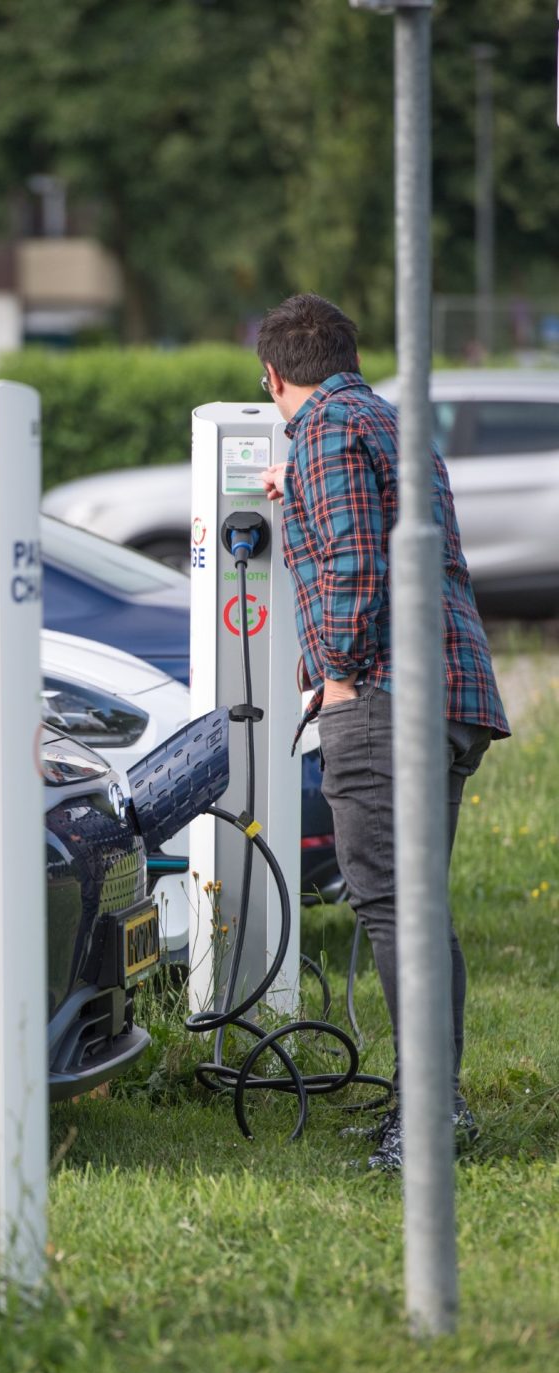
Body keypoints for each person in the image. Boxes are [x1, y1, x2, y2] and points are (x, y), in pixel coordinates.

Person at [256, 292, 509, 1171]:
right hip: (448, 689)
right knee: (416, 911)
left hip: (382, 693)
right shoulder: (388, 421)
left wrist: (333, 675)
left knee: (395, 908)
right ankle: (433, 1107)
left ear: (274, 376)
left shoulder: (320, 431)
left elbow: (358, 565)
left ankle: (433, 1121)